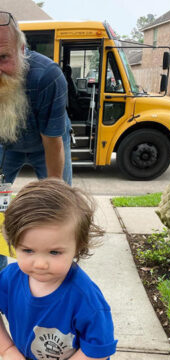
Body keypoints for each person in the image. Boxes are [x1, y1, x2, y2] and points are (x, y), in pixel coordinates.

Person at [0, 178, 117, 360]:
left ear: (79, 246)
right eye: (28, 250)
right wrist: (7, 349)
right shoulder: (8, 279)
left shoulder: (85, 298)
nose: (40, 264)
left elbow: (97, 351)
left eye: (54, 252)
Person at [0, 11, 72, 270]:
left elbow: (53, 143)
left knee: (61, 209)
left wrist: (53, 193)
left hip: (48, 144)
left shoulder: (47, 77)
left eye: (3, 58)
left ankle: (60, 272)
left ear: (21, 49)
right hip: (6, 144)